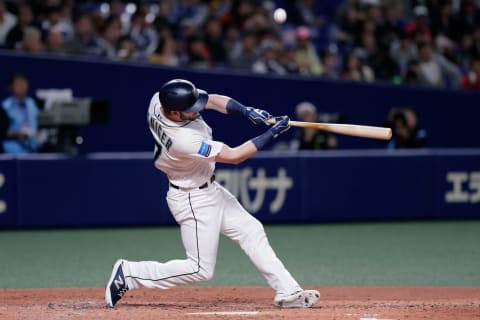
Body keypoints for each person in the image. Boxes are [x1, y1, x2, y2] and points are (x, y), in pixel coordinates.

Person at [105, 79, 320, 309]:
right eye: (190, 111)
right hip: (192, 198)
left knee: (251, 229)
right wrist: (272, 133)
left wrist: (246, 111)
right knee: (200, 269)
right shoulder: (182, 142)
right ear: (175, 114)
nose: (196, 112)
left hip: (210, 189)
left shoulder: (159, 100)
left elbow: (212, 100)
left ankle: (288, 291)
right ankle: (130, 273)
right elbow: (235, 156)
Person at [1, 74, 39, 154]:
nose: (22, 86)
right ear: (10, 87)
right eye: (18, 83)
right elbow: (2, 132)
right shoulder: (5, 106)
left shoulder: (32, 104)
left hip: (33, 148)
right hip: (12, 150)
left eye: (24, 83)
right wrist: (18, 134)